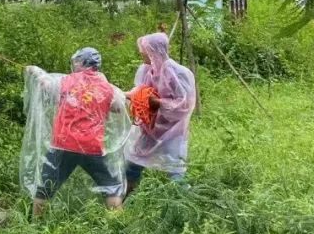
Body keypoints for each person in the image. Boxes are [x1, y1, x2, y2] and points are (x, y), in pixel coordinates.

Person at [32, 48, 129, 215]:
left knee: (45, 186)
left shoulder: (64, 81)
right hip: (92, 145)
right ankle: (118, 223)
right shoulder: (108, 88)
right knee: (110, 186)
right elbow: (119, 108)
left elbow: (45, 85)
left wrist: (35, 72)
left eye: (76, 61)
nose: (74, 64)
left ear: (82, 62)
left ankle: (36, 223)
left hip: (64, 143)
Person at [123, 32, 197, 198]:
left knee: (175, 170)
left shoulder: (177, 73)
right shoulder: (146, 70)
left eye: (144, 52)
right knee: (134, 163)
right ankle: (123, 199)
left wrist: (157, 103)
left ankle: (185, 202)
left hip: (172, 131)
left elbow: (184, 103)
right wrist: (121, 94)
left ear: (154, 52)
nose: (142, 55)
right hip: (149, 128)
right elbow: (140, 91)